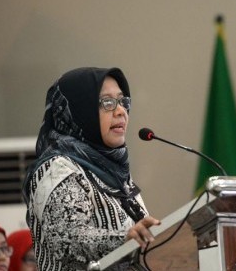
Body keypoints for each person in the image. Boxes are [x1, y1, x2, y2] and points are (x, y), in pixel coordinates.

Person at [22, 67, 160, 270]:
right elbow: (67, 240)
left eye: (123, 101)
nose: (121, 110)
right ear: (79, 110)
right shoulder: (57, 169)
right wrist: (124, 239)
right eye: (107, 103)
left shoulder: (116, 174)